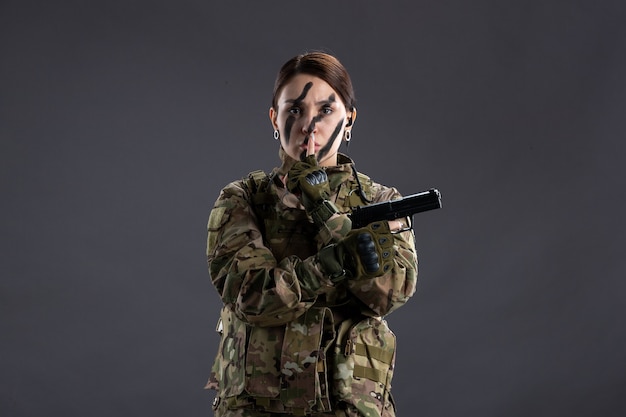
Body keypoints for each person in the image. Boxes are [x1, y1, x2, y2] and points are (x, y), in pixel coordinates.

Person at [205, 52, 418, 417]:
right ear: (274, 118)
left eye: (325, 110)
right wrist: (328, 265)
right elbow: (251, 296)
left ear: (349, 120)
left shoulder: (381, 201)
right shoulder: (244, 198)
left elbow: (390, 292)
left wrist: (325, 213)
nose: (309, 125)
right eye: (295, 110)